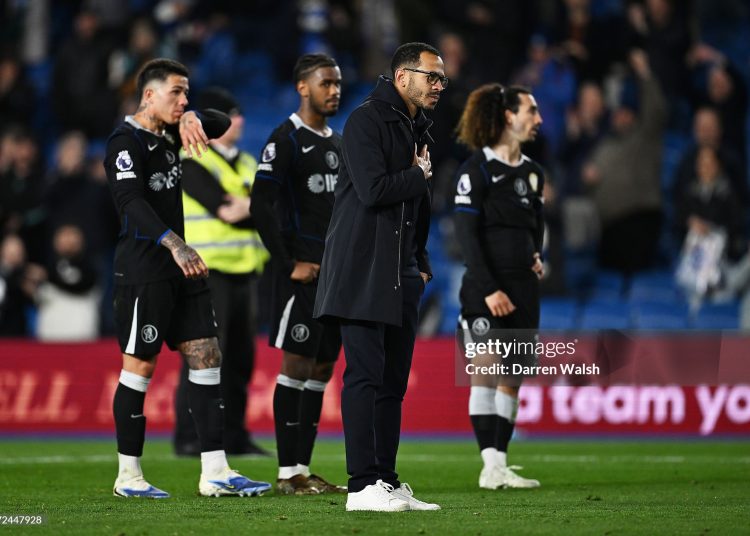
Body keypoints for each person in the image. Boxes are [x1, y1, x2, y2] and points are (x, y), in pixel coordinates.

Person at [103, 58, 270, 499]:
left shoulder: (173, 132)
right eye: (176, 93)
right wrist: (174, 242)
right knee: (140, 368)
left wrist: (195, 115)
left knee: (207, 356)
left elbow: (218, 121)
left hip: (184, 271)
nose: (183, 101)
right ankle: (128, 477)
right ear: (149, 95)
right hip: (144, 270)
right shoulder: (124, 141)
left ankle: (215, 471)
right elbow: (129, 202)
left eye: (187, 93)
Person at [313, 42, 444, 512]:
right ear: (402, 76)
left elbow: (417, 205)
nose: (438, 86)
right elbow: (372, 191)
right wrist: (417, 175)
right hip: (363, 269)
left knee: (393, 383)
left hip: (402, 270)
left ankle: (385, 481)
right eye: (432, 76)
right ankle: (361, 485)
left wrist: (421, 257)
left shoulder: (418, 129)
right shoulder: (367, 119)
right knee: (365, 377)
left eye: (442, 79)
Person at [251, 54, 346, 495]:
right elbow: (260, 206)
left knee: (323, 368)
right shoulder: (285, 139)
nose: (335, 90)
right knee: (296, 365)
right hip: (300, 276)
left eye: (338, 83)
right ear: (303, 87)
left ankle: (302, 470)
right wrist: (289, 262)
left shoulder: (339, 144)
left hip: (333, 278)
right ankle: (287, 472)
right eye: (326, 83)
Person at [453, 83, 545, 490]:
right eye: (532, 110)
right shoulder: (477, 170)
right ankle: (488, 464)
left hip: (523, 290)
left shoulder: (533, 174)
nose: (538, 119)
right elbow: (466, 236)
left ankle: (501, 463)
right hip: (484, 294)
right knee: (486, 372)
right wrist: (490, 288)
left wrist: (537, 253)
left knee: (512, 379)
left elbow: (535, 224)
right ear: (509, 116)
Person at [172, 87, 271, 457]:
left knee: (241, 361)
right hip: (206, 273)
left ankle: (235, 436)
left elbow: (258, 209)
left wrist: (252, 206)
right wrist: (258, 205)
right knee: (203, 356)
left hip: (246, 273)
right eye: (232, 113)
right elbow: (226, 210)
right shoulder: (192, 158)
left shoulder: (246, 162)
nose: (240, 119)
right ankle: (188, 436)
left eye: (240, 113)